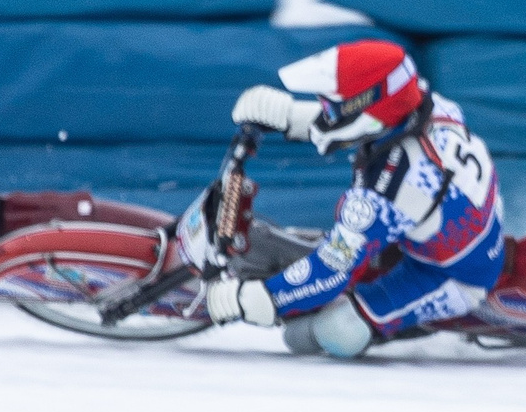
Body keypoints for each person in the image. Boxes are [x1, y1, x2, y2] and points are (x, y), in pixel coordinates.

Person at [205, 40, 504, 361]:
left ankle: (402, 325)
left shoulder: (390, 190)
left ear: (370, 112)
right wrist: (289, 115)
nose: (325, 112)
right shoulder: (425, 104)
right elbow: (359, 119)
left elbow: (332, 270)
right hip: (459, 221)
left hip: (454, 275)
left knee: (324, 333)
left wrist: (253, 299)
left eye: (332, 106)